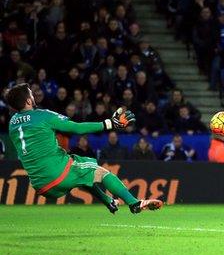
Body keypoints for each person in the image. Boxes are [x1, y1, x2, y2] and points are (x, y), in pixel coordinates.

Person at [5, 83, 162, 214]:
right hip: (58, 171)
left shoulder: (12, 123)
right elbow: (77, 129)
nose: (34, 97)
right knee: (103, 173)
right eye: (31, 95)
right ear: (27, 101)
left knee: (83, 173)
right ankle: (134, 203)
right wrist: (109, 123)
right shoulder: (42, 115)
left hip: (41, 185)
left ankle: (108, 201)